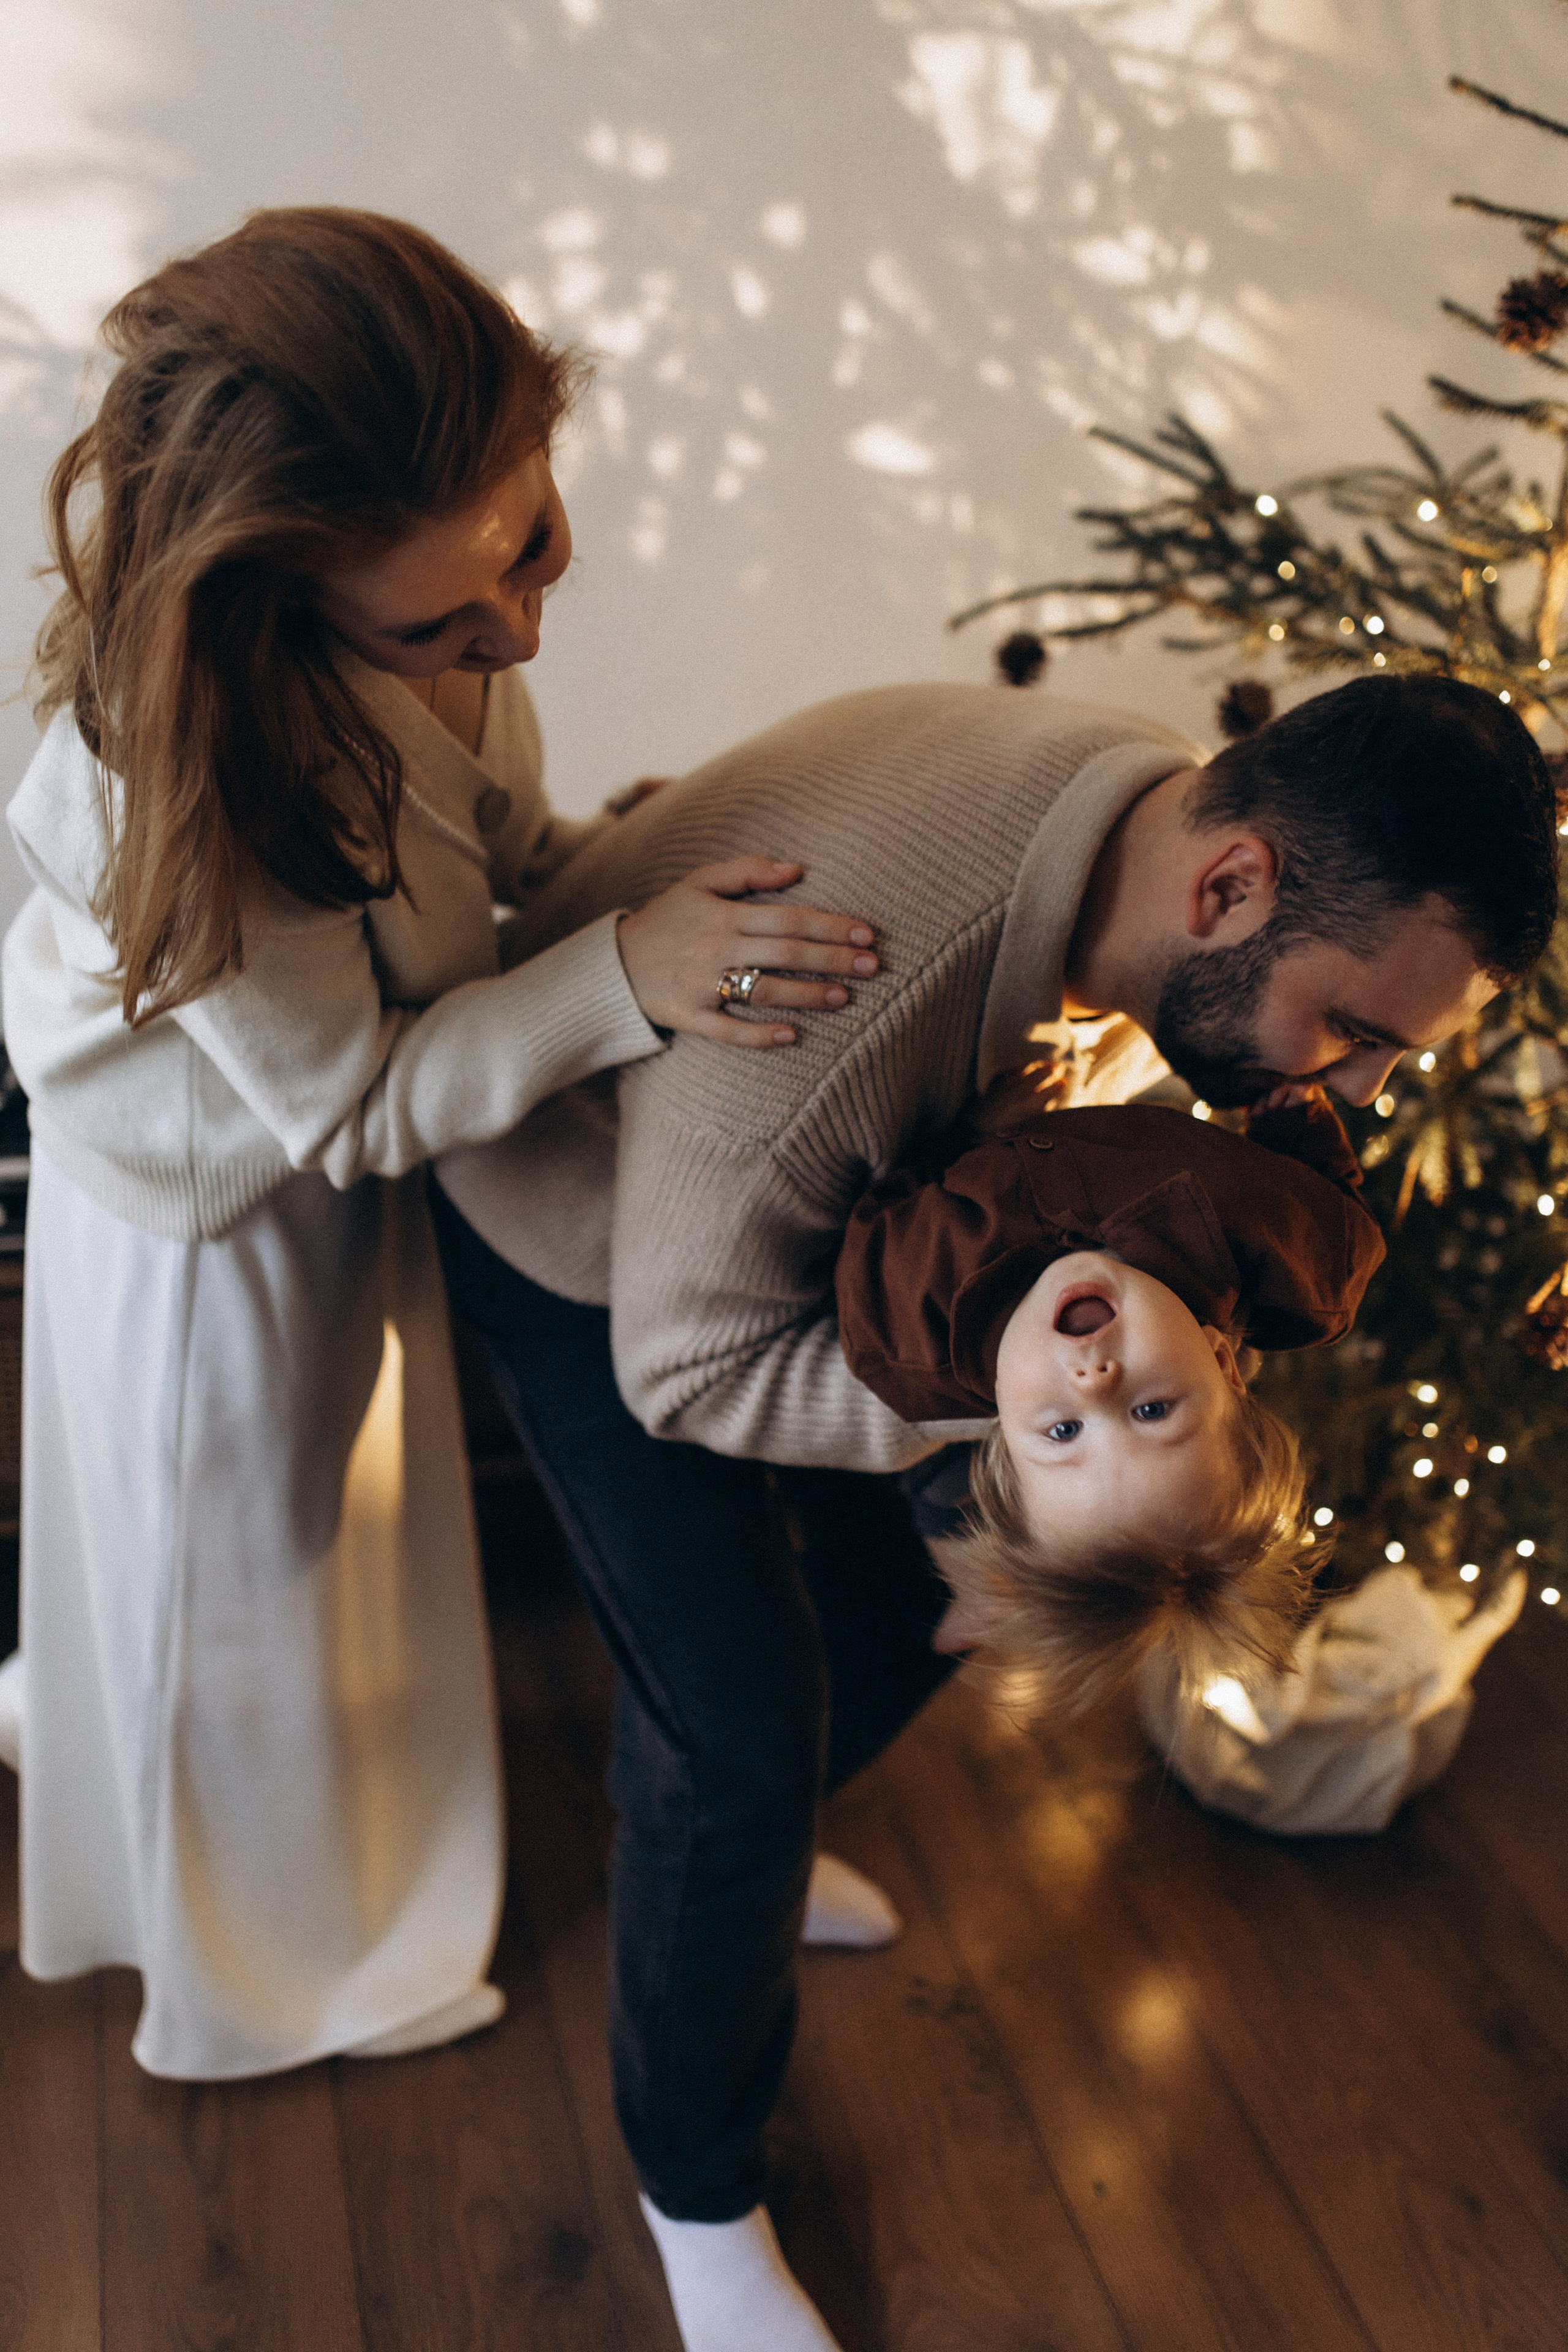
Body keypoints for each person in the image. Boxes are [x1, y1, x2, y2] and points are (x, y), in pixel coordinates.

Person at [431, 668, 1556, 2351]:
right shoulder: (849, 999)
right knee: (734, 1731)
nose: (1364, 1090)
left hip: (833, 1238)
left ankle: (743, 1865)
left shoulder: (1155, 826)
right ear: (1233, 890)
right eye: (1357, 1033)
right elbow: (691, 1371)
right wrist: (1018, 1431)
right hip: (588, 1238)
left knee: (959, 1593)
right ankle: (699, 2187)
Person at [0, 206, 881, 2082]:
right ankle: (259, 1968)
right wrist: (626, 970)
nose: (520, 629)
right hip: (206, 1213)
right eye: (442, 623)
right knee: (231, 1584)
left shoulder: (446, 619)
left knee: (356, 1550)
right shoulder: (195, 762)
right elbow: (344, 1101)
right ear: (274, 597)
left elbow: (481, 887)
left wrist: (622, 885)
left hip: (366, 1135)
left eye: (534, 544)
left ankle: (365, 1853)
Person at [834, 1068, 1387, 1703]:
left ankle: (967, 1573)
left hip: (980, 1115)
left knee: (940, 1488)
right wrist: (1293, 1117)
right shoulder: (1292, 1261)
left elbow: (877, 1207)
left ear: (998, 1436)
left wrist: (972, 1132)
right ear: (1224, 1363)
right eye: (1152, 1410)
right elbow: (1342, 1218)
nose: (1096, 1384)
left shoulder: (906, 1331)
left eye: (1066, 1429)